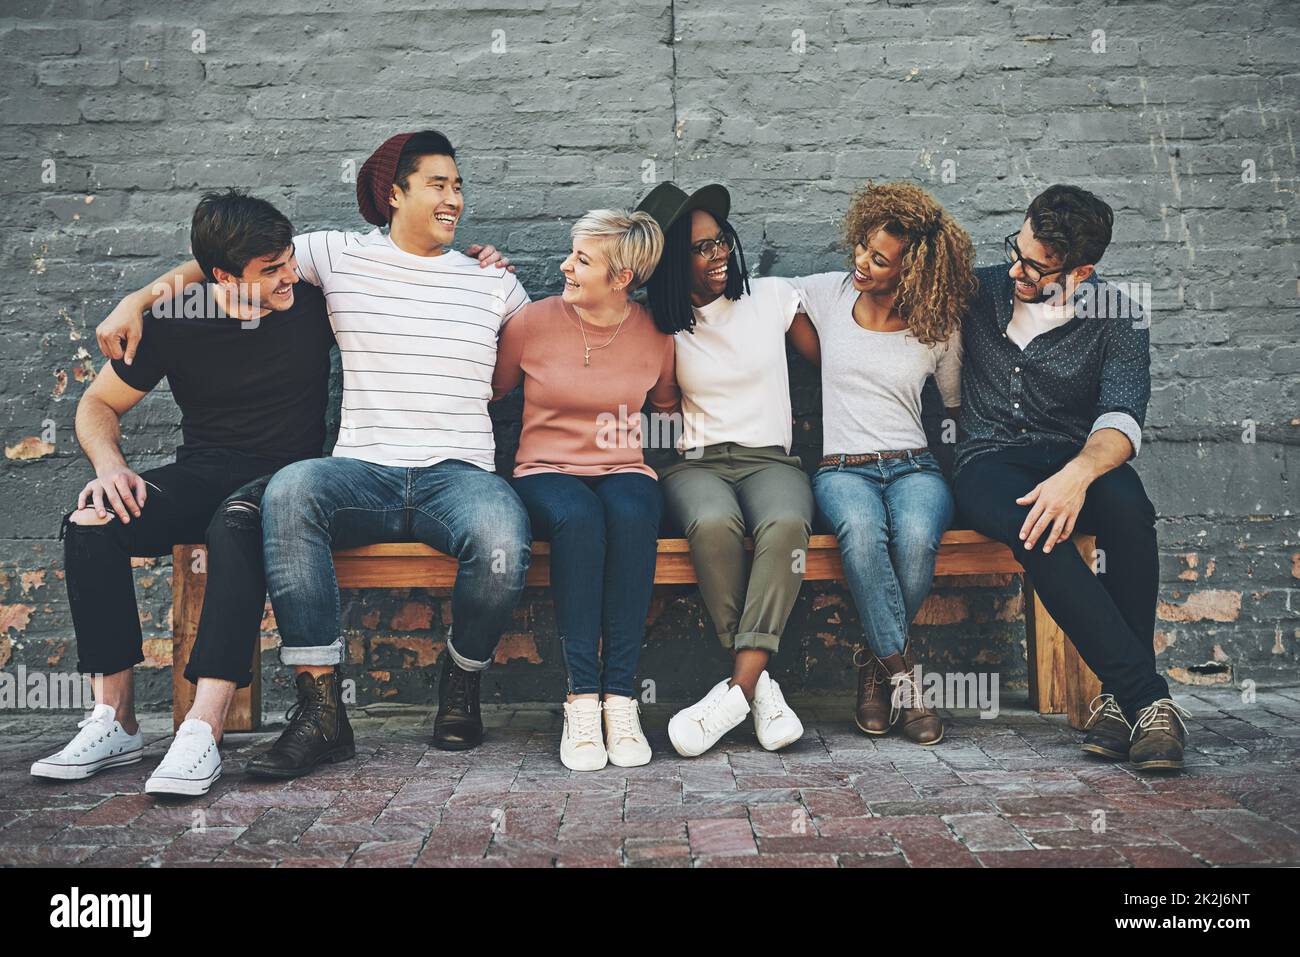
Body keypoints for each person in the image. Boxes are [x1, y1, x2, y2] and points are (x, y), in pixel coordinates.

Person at [91, 130, 523, 779]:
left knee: (503, 540)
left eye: (459, 185)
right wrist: (140, 298)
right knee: (288, 491)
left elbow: (504, 383)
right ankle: (322, 710)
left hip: (458, 473)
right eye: (439, 183)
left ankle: (461, 677)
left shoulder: (495, 285)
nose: (454, 198)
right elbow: (225, 262)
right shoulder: (334, 255)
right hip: (361, 469)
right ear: (394, 193)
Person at [31, 190, 335, 797]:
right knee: (92, 520)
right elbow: (96, 404)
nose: (289, 276)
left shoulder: (314, 303)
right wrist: (111, 466)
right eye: (271, 270)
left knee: (237, 521)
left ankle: (203, 727)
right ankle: (113, 720)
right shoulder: (175, 318)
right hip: (204, 468)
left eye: (289, 259)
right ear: (223, 276)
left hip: (289, 479)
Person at [953, 184, 1188, 770]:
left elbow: (1121, 420)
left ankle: (1113, 704)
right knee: (1038, 527)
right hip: (985, 459)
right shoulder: (979, 291)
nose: (1016, 269)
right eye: (1018, 248)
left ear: (1080, 271)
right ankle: (1146, 699)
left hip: (1073, 454)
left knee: (1130, 509)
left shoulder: (1119, 315)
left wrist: (1076, 475)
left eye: (1035, 266)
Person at [636, 182, 820, 758]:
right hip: (697, 464)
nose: (718, 255)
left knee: (787, 526)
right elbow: (663, 412)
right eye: (699, 249)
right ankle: (762, 690)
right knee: (713, 525)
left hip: (771, 459)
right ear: (671, 263)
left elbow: (839, 360)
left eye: (720, 242)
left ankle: (737, 688)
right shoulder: (661, 327)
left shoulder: (772, 298)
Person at [492, 209, 676, 771]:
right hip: (546, 470)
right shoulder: (532, 322)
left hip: (623, 468)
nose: (565, 266)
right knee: (578, 519)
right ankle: (580, 699)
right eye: (573, 254)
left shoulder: (656, 334)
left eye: (582, 260)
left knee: (633, 509)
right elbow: (495, 392)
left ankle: (620, 699)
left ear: (621, 279)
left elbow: (666, 407)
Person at [793, 181, 975, 745]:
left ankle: (874, 664)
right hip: (841, 468)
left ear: (912, 271)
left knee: (918, 535)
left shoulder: (936, 326)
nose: (861, 263)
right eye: (863, 248)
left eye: (879, 259)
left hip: (914, 466)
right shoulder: (826, 294)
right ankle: (905, 680)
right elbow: (759, 298)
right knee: (862, 532)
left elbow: (953, 409)